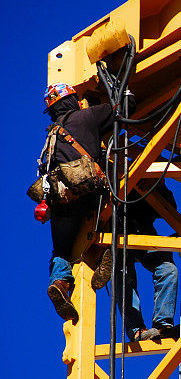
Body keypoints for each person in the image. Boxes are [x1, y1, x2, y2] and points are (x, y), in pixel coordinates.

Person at [38, 83, 117, 323]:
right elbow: (124, 108)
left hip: (59, 195)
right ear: (73, 100)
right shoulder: (88, 116)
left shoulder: (52, 133)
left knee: (62, 247)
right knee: (112, 217)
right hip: (88, 190)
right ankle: (104, 253)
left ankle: (60, 282)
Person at [92, 183, 179, 341]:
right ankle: (137, 330)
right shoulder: (113, 175)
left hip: (143, 234)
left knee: (168, 270)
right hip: (115, 234)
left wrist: (149, 186)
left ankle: (163, 324)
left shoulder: (150, 174)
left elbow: (169, 206)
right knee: (124, 277)